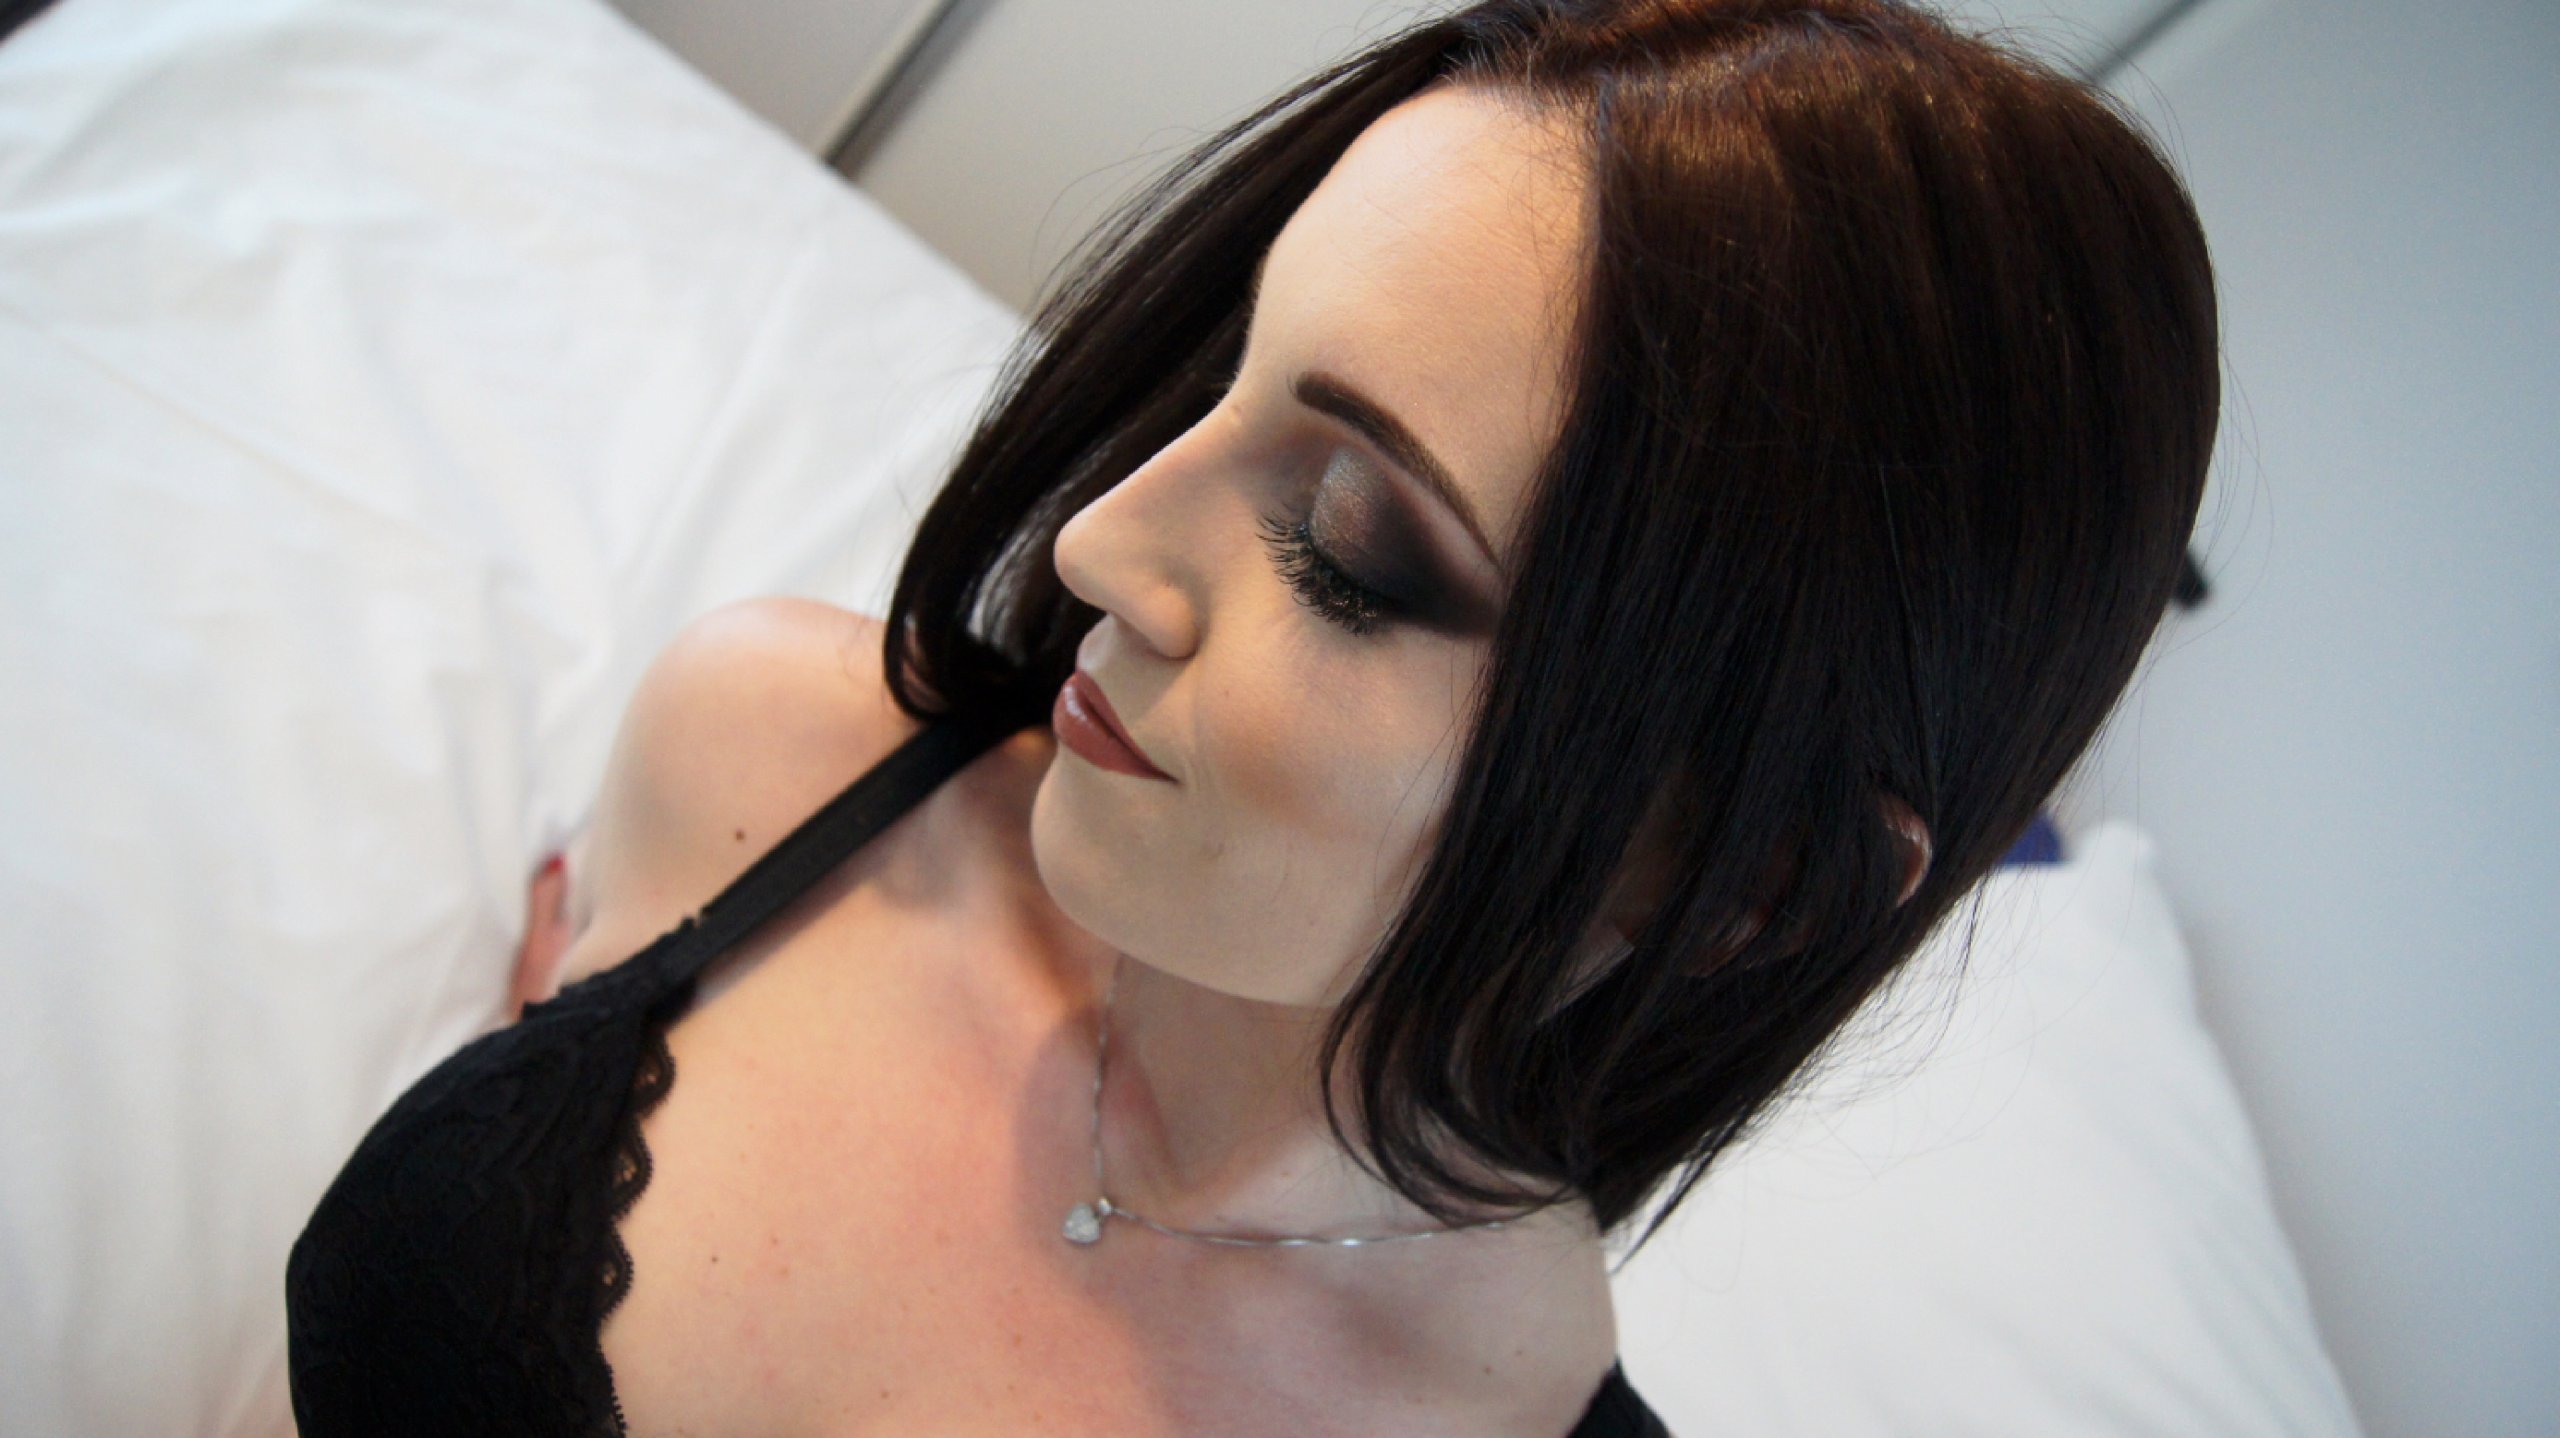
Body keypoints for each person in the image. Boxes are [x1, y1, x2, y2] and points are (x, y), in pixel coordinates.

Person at [284, 0, 2218, 1432]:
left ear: (1749, 879)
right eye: (1233, 376)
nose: (1102, 543)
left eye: (1352, 542)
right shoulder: (771, 755)